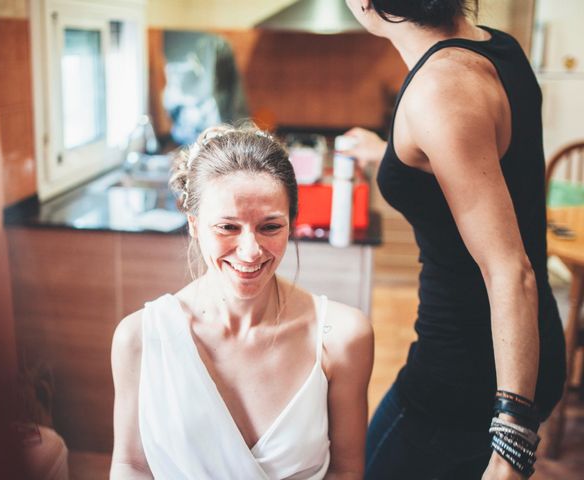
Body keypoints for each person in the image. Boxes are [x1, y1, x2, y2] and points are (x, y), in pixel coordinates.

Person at [342, 1, 567, 479]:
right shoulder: (496, 48)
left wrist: (512, 442)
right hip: (521, 346)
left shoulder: (440, 91)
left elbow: (511, 270)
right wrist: (387, 155)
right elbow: (475, 160)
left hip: (472, 375)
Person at [110, 124, 374, 479]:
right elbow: (132, 466)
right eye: (228, 228)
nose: (250, 252)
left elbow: (345, 471)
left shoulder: (342, 338)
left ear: (292, 224)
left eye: (270, 227)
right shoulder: (139, 339)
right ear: (193, 224)